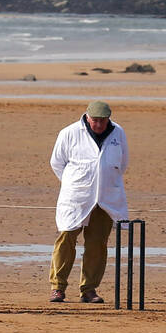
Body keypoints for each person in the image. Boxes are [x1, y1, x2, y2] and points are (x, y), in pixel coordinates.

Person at [49, 100, 129, 303]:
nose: (99, 125)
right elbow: (57, 163)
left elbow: (123, 163)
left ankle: (89, 290)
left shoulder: (118, 133)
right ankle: (58, 287)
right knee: (66, 238)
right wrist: (75, 184)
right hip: (76, 197)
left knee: (97, 245)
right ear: (87, 117)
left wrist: (103, 182)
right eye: (95, 121)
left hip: (106, 199)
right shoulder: (69, 133)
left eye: (103, 121)